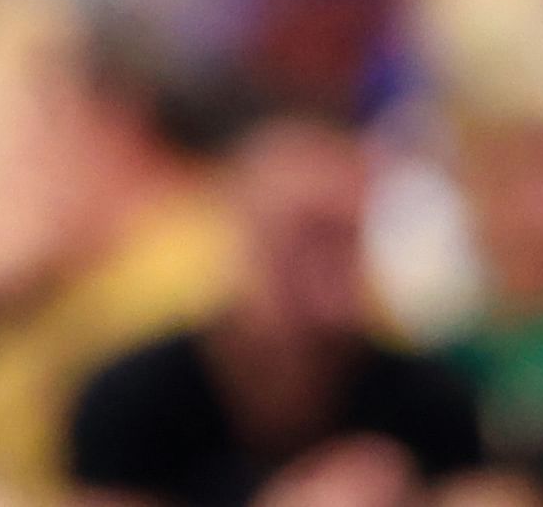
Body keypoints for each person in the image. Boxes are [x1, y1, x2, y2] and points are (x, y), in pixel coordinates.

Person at [63, 116, 485, 507]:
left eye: (345, 235)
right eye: (306, 233)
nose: (327, 262)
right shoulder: (132, 400)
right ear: (245, 236)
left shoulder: (428, 401)